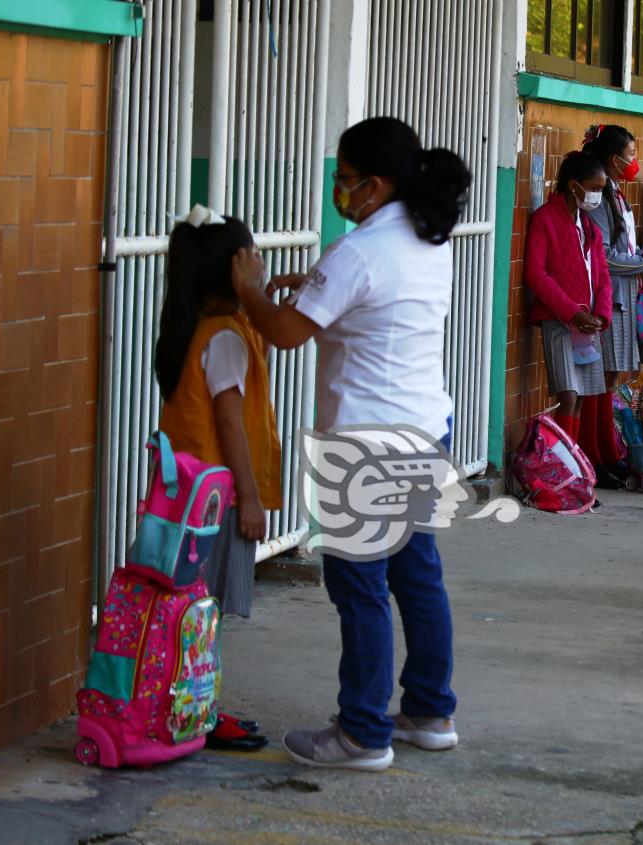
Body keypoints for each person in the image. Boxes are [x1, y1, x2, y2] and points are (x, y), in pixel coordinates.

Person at [230, 117, 471, 770]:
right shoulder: (427, 237)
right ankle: (428, 710)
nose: (338, 188)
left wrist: (251, 287)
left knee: (359, 586)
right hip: (423, 429)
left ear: (376, 182)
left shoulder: (358, 251)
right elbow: (360, 300)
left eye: (343, 178)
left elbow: (283, 333)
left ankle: (362, 731)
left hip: (365, 444)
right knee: (417, 577)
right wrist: (309, 285)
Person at [154, 204, 281, 752]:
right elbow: (229, 422)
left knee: (190, 608)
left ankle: (198, 705)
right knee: (205, 613)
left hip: (187, 494)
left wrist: (266, 295)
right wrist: (250, 499)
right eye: (248, 257)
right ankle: (198, 709)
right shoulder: (224, 337)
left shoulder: (199, 327)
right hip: (218, 500)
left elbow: (269, 334)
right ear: (231, 269)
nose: (257, 263)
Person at [581, 124, 643, 488]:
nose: (634, 162)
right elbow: (603, 255)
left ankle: (606, 452)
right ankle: (593, 455)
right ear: (613, 158)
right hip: (608, 296)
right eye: (631, 155)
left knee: (612, 378)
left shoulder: (616, 193)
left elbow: (623, 247)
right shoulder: (599, 198)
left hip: (623, 294)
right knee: (599, 380)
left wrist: (641, 258)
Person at [523, 151, 613, 445]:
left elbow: (602, 276)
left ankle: (574, 468)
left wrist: (601, 315)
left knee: (583, 396)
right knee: (568, 395)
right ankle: (562, 465)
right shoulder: (545, 219)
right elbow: (536, 274)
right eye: (595, 188)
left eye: (602, 189)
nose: (598, 195)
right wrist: (571, 312)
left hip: (588, 325)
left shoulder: (589, 227)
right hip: (560, 321)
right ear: (574, 186)